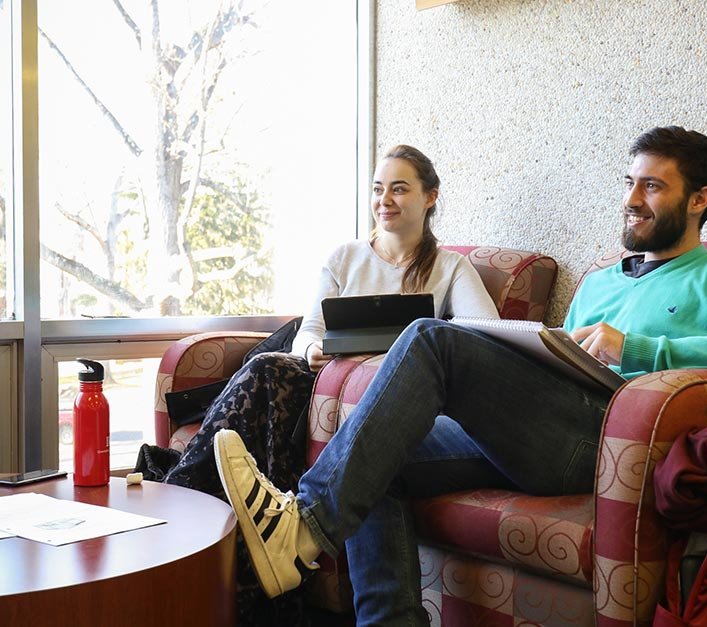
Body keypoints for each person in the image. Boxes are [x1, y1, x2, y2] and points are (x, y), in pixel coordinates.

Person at [213, 127, 707, 626]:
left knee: (430, 337)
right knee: (379, 449)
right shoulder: (601, 281)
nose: (632, 198)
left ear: (700, 199)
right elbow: (561, 369)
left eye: (652, 186)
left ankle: (305, 524)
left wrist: (639, 346)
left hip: (608, 443)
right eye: (629, 182)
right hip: (542, 429)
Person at [161, 144, 498, 625]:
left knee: (275, 386)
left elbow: (486, 336)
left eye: (400, 189)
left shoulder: (450, 270)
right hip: (319, 381)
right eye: (379, 189)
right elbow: (310, 333)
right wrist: (312, 353)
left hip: (385, 398)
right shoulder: (345, 257)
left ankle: (195, 509)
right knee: (269, 370)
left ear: (431, 198)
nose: (385, 200)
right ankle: (194, 500)